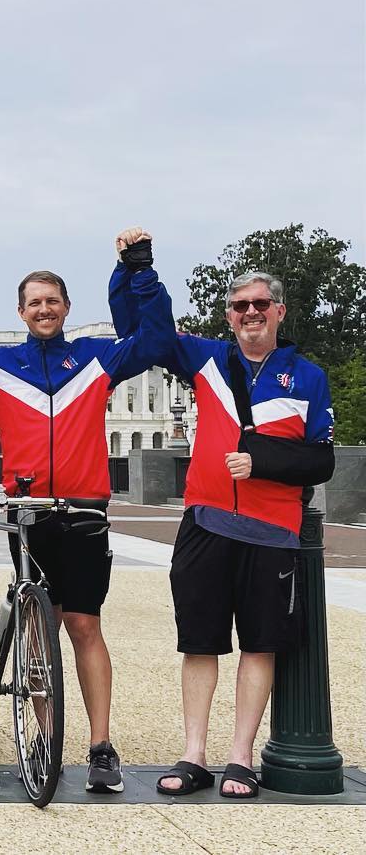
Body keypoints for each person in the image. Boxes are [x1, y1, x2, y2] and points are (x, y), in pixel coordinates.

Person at [0, 226, 173, 794]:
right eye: (34, 302)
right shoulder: (1, 365)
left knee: (85, 624)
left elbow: (156, 340)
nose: (44, 309)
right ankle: (47, 734)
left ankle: (101, 745)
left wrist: (138, 269)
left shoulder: (95, 358)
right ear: (21, 311)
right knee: (40, 629)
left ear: (66, 308)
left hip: (84, 509)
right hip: (30, 511)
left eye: (52, 301)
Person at [122, 270, 333, 799]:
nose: (250, 313)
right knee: (200, 642)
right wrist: (138, 270)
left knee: (260, 646)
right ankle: (194, 754)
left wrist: (259, 460)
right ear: (229, 316)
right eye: (239, 306)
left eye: (260, 303)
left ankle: (240, 758)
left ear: (280, 311)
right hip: (207, 521)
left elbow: (321, 459)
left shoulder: (307, 376)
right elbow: (148, 332)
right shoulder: (208, 359)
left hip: (273, 530)